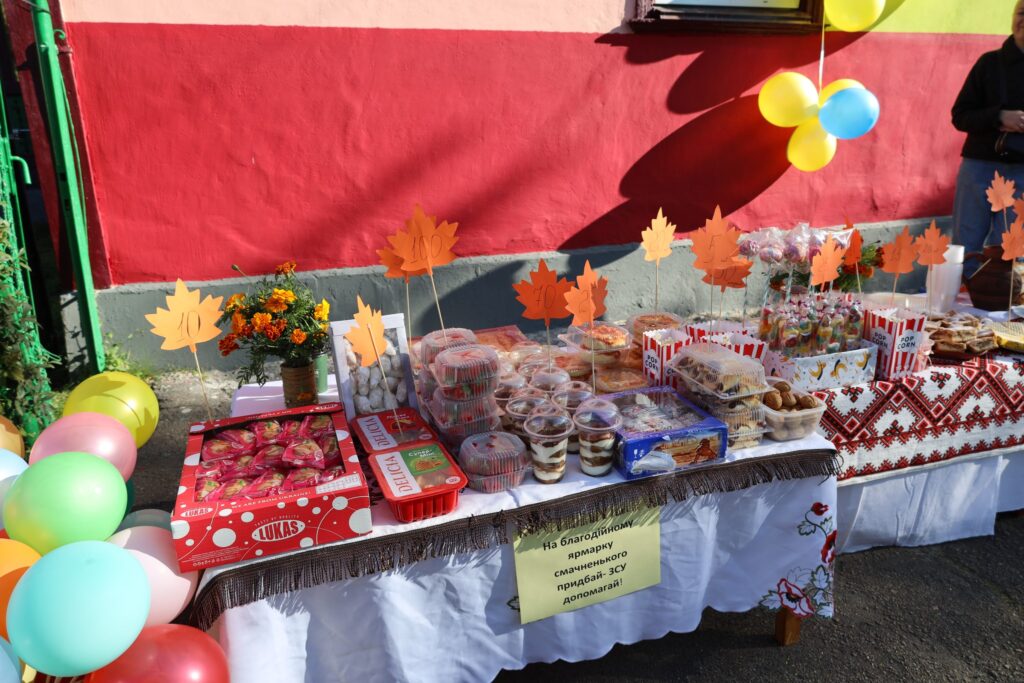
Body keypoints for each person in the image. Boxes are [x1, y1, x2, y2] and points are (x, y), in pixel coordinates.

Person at [951, 0, 1024, 275]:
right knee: (965, 247)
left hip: (1022, 172)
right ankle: (960, 296)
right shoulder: (989, 63)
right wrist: (999, 117)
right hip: (979, 167)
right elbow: (960, 116)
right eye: (1021, 13)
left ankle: (1002, 301)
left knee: (1011, 252)